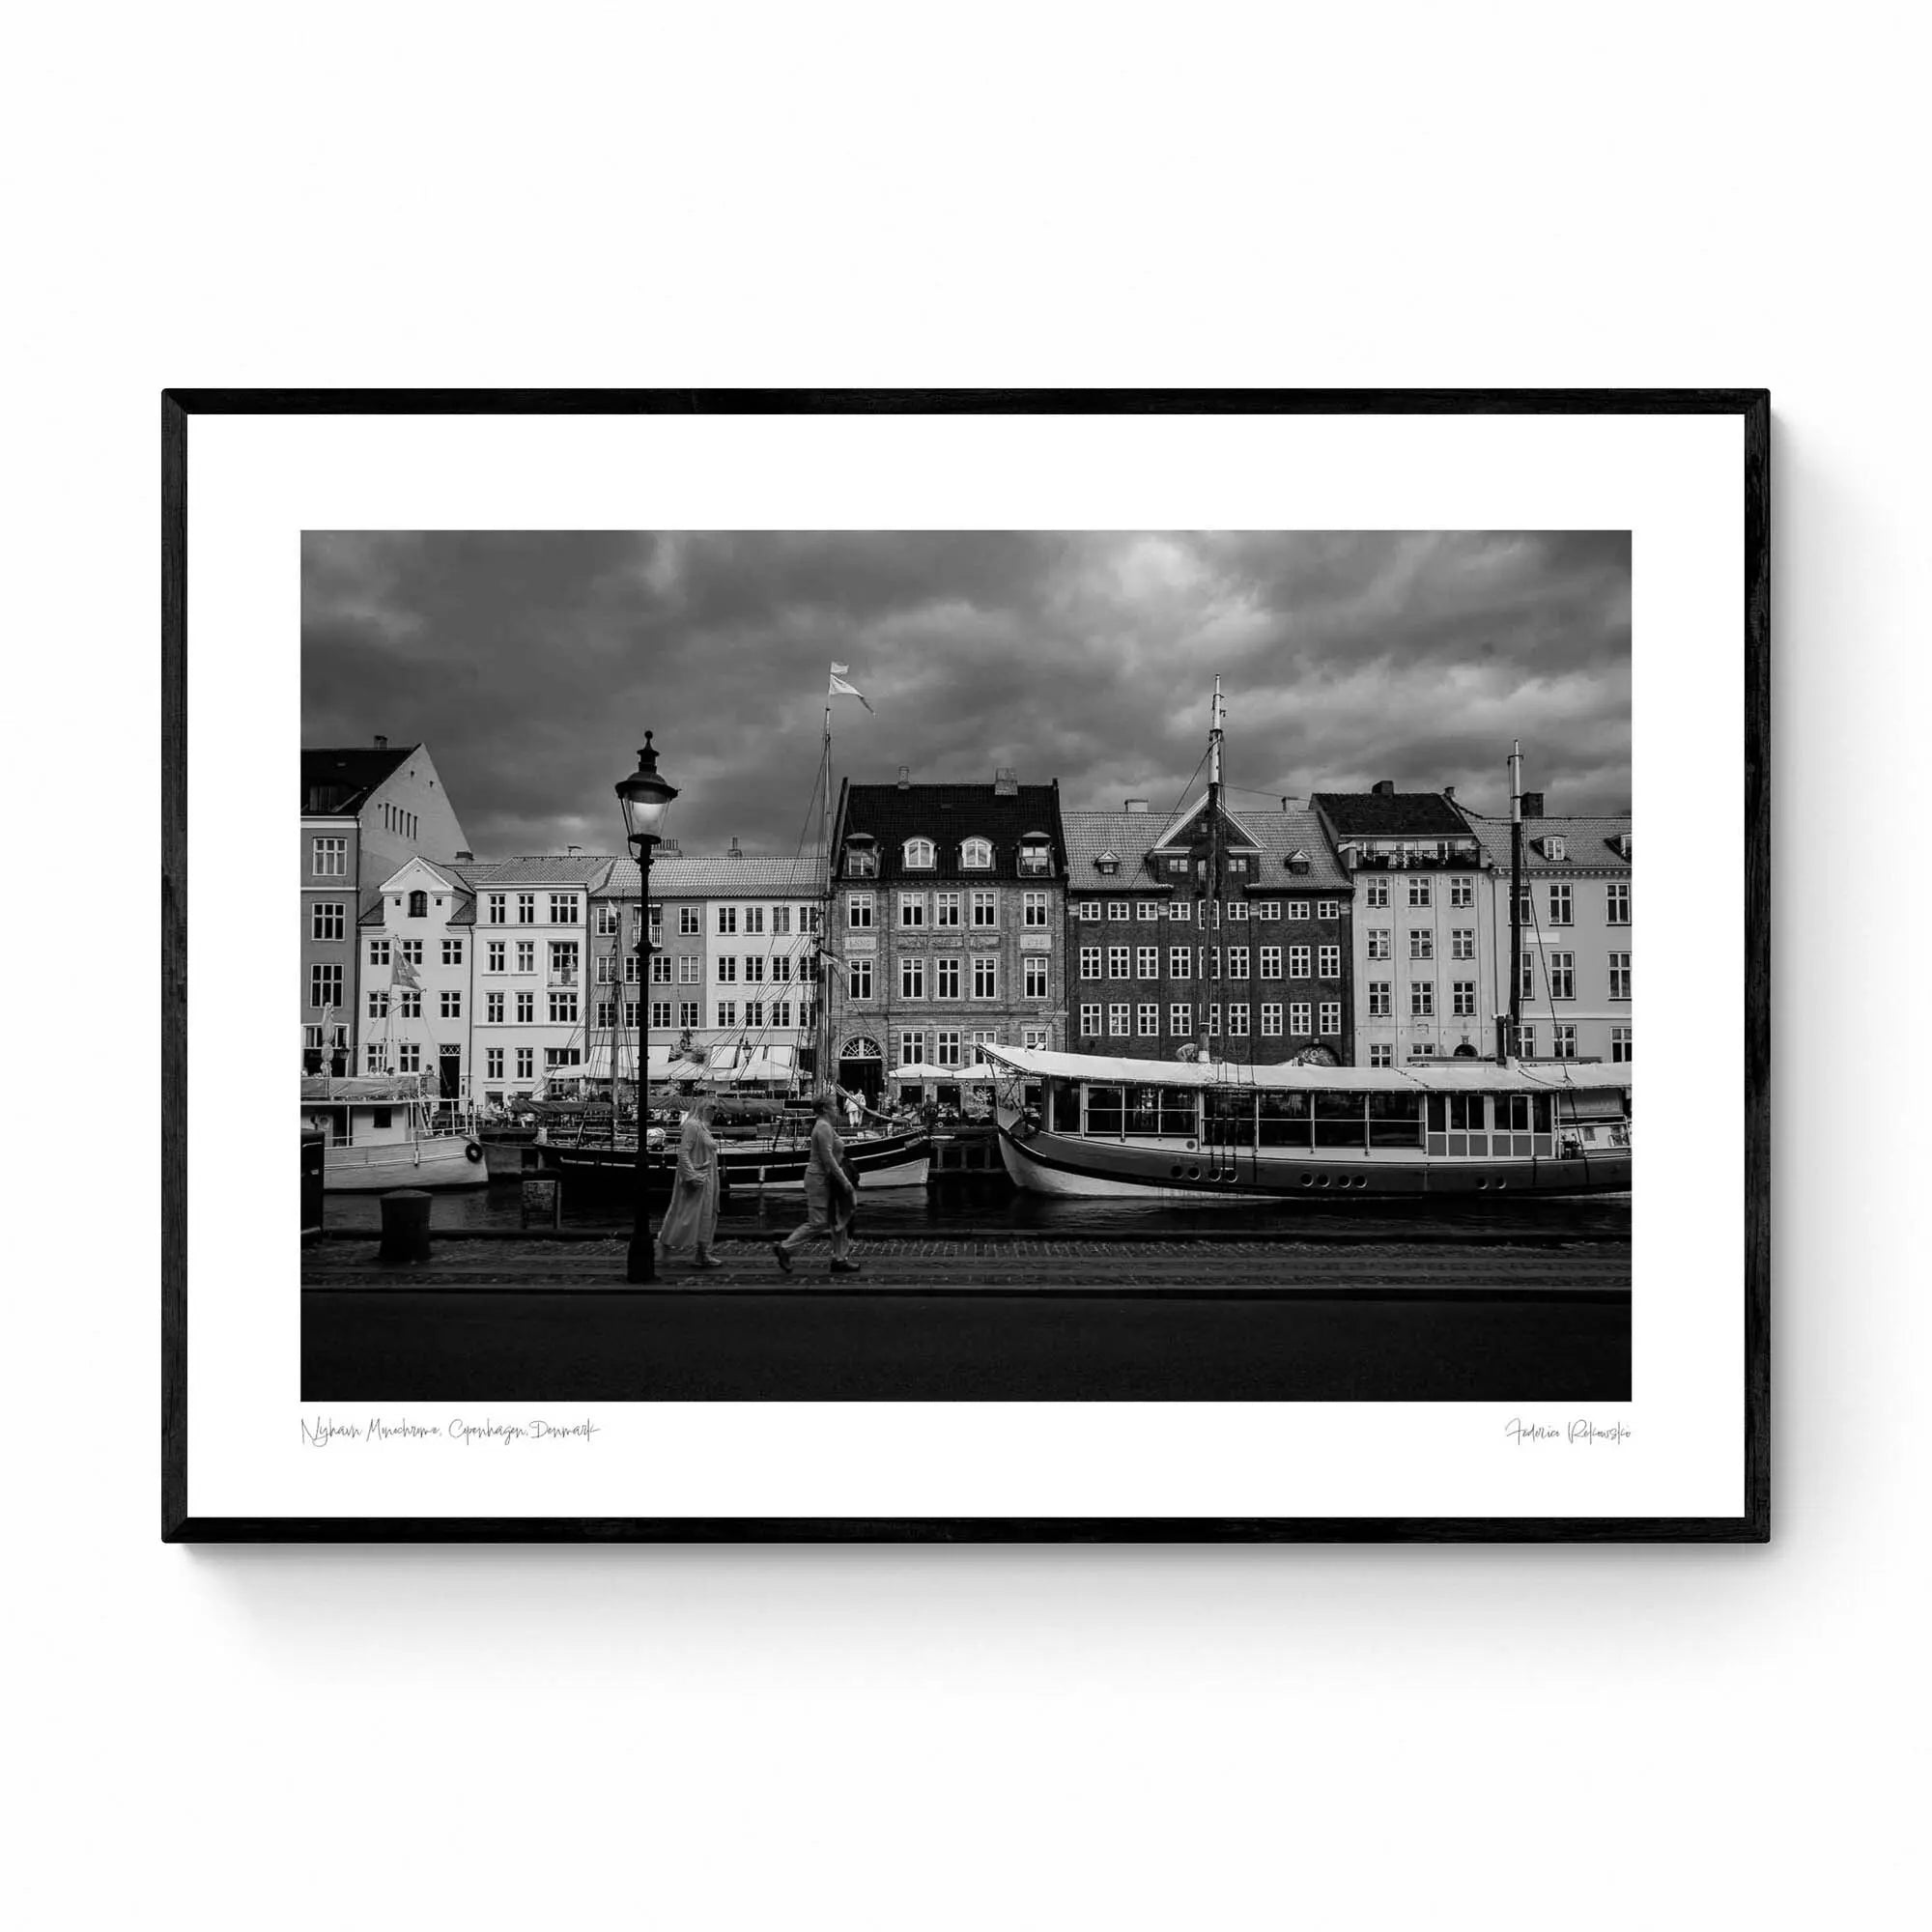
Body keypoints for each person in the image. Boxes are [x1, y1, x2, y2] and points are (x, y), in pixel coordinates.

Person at [772, 1091, 859, 1275]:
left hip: (826, 1179)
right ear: (826, 1109)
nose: (837, 1109)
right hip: (820, 1179)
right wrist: (845, 1181)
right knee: (819, 1222)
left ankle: (840, 1258)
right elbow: (827, 1158)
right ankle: (786, 1247)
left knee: (838, 1219)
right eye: (834, 1106)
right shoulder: (823, 1128)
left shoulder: (825, 1125)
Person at [656, 1096, 724, 1269]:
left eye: (715, 1109)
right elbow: (683, 1153)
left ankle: (703, 1252)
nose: (714, 1113)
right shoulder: (693, 1126)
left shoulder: (702, 1127)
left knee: (706, 1215)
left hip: (707, 1178)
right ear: (702, 1109)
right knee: (685, 1215)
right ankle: (665, 1243)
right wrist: (691, 1175)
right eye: (712, 1109)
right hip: (697, 1178)